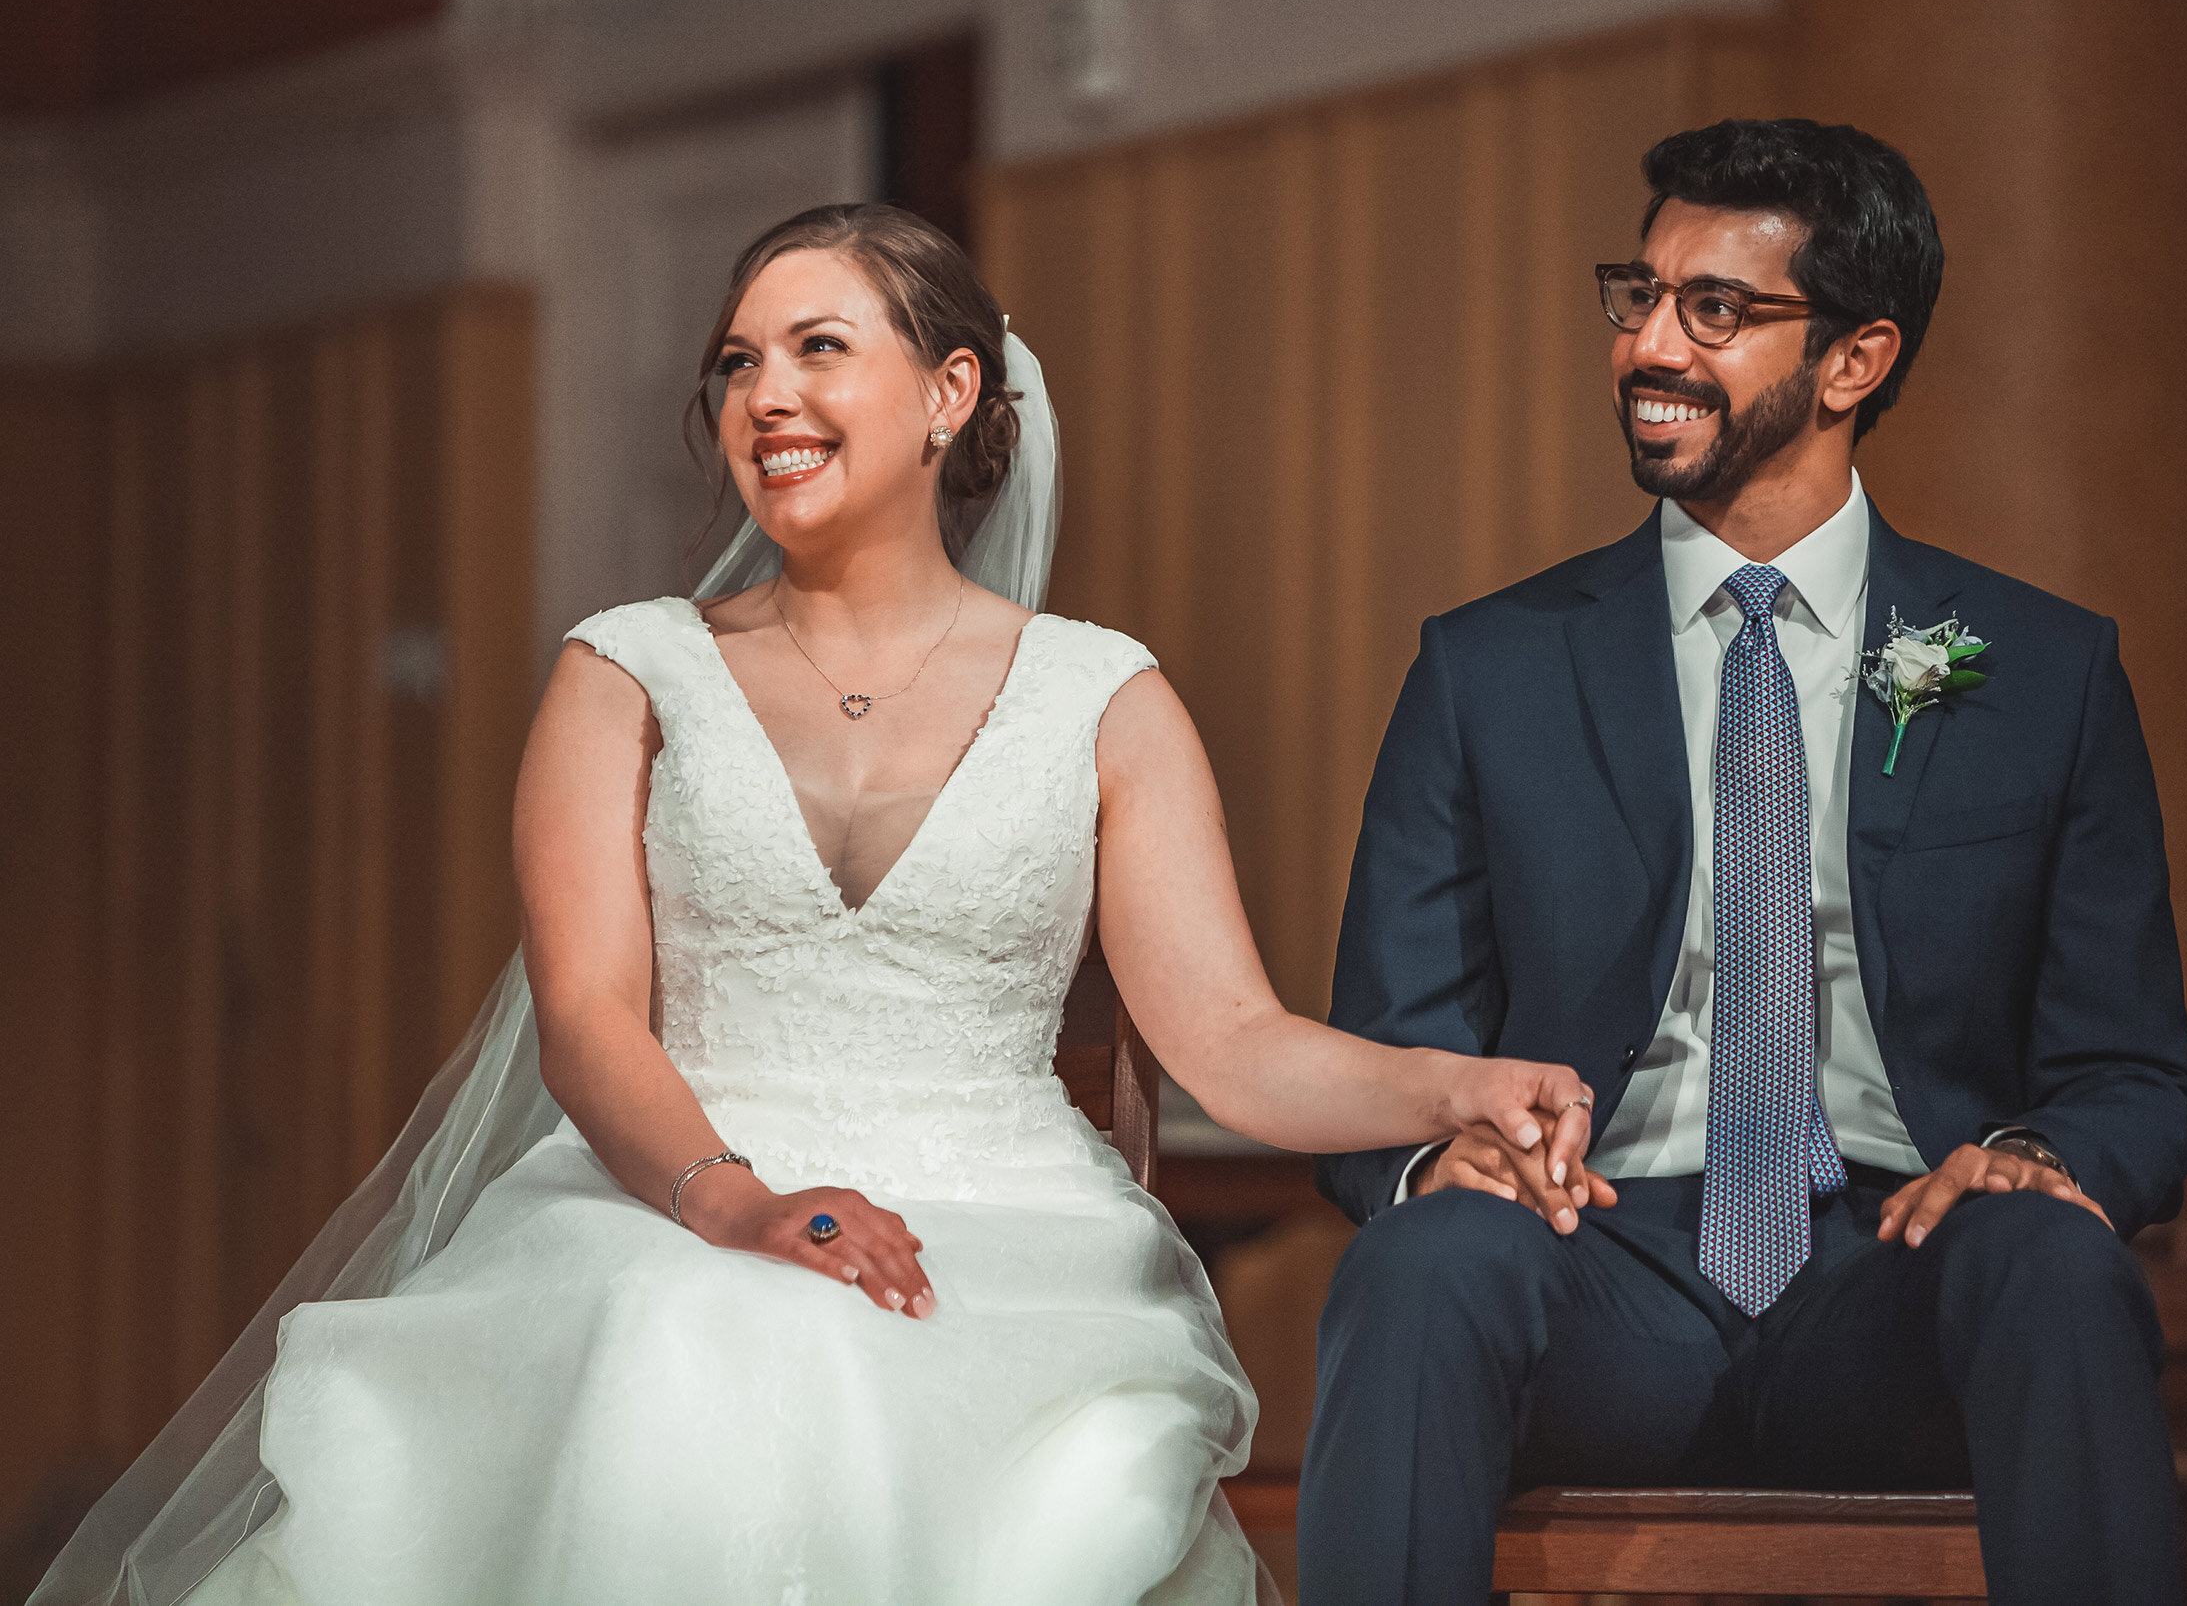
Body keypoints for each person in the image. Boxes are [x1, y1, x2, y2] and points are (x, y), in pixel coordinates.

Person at [33, 204, 1599, 1606]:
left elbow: (1233, 1041)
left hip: (1008, 1226)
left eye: (816, 349)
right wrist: (741, 1204)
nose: (762, 396)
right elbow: (585, 1015)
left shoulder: (1101, 698)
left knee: (919, 1401)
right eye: (735, 363)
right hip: (669, 1196)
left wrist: (1455, 1082)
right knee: (686, 1340)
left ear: (950, 394)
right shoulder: (622, 672)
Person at [1298, 118, 2187, 1606]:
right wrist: (1424, 1153)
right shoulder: (1488, 670)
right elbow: (1389, 1047)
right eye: (1638, 296)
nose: (1649, 343)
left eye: (1714, 311)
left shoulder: (2042, 671)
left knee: (2056, 1261)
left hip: (1905, 1278)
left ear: (1854, 359)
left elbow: (2134, 1072)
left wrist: (2036, 1161)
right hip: (1593, 1265)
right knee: (1418, 1264)